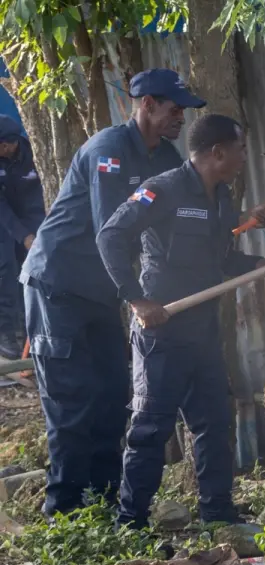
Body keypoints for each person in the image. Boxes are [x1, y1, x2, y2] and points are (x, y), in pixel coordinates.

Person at [96, 113, 265, 529]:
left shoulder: (221, 199)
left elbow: (223, 260)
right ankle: (130, 522)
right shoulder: (162, 189)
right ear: (218, 152)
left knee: (214, 423)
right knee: (151, 428)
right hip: (162, 331)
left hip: (203, 332)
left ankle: (217, 515)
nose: (244, 158)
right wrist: (137, 300)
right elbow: (110, 236)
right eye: (240, 150)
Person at [21, 68, 208, 519]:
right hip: (58, 287)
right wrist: (137, 297)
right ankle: (63, 513)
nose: (180, 118)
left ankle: (103, 504)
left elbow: (183, 210)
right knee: (71, 403)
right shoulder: (108, 151)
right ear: (147, 105)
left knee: (110, 397)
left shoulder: (163, 157)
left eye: (183, 111)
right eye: (174, 109)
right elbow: (113, 230)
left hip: (104, 293)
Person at [0, 114, 44, 360]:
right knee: (5, 271)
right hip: (3, 220)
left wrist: (35, 235)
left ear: (8, 144)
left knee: (31, 272)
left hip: (30, 218)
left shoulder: (35, 154)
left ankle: (31, 332)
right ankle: (6, 334)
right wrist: (22, 235)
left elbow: (39, 199)